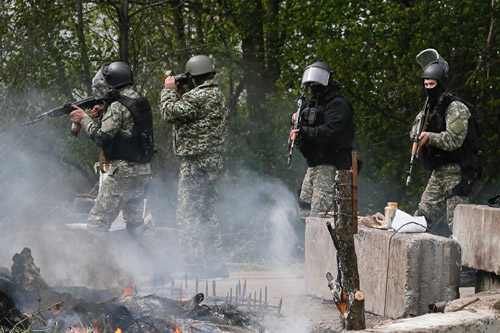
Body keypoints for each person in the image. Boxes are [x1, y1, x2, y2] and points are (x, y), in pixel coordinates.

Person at [160, 55, 229, 279]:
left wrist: (169, 90)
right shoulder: (216, 95)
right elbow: (190, 115)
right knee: (207, 214)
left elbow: (169, 113)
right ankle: (215, 266)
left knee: (188, 215)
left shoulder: (198, 96)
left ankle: (193, 267)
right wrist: (182, 95)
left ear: (193, 76)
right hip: (212, 161)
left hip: (195, 163)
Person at [69, 61, 154, 241]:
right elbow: (127, 128)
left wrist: (84, 119)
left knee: (97, 223)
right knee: (137, 225)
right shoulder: (140, 101)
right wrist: (104, 112)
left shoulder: (117, 106)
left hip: (122, 174)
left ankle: (95, 268)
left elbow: (101, 138)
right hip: (141, 172)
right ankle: (161, 266)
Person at [411, 52, 471, 233]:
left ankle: (464, 261)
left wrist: (429, 137)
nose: (429, 88)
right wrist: (417, 137)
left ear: (441, 83)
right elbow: (414, 130)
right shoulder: (429, 108)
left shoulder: (455, 107)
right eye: (426, 84)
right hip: (438, 171)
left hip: (457, 170)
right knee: (420, 218)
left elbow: (454, 140)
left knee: (458, 224)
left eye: (432, 84)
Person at [290, 61, 355, 218]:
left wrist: (303, 132)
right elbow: (302, 121)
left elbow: (330, 131)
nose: (313, 84)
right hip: (313, 164)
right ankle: (304, 241)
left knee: (319, 214)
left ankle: (320, 243)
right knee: (304, 208)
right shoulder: (311, 102)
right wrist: (295, 120)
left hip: (331, 163)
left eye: (317, 81)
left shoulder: (338, 104)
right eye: (311, 82)